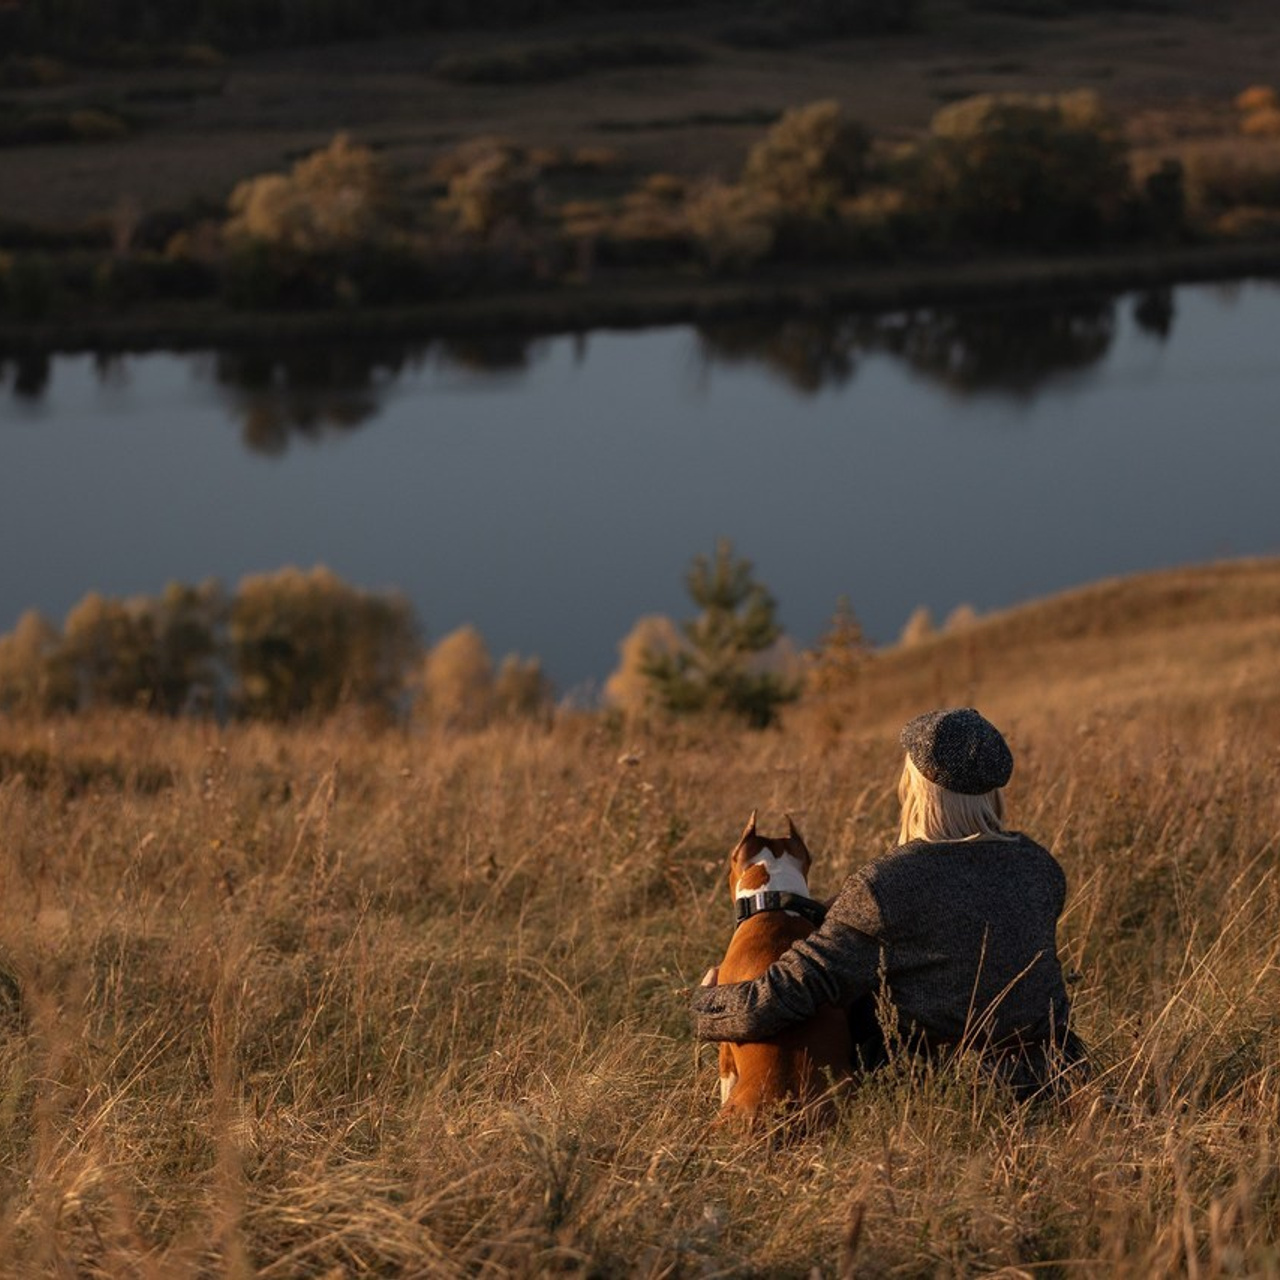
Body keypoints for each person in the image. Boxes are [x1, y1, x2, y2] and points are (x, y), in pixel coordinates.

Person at [690, 708, 1086, 1100]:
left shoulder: (887, 885)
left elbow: (791, 992)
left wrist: (709, 1004)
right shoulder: (1040, 867)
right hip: (1052, 1078)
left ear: (917, 789)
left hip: (943, 1093)